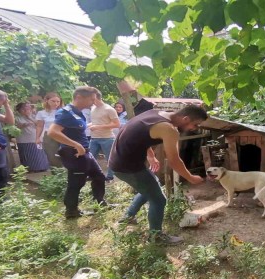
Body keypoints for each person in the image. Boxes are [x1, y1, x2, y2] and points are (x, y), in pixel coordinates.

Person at [109, 105, 208, 244]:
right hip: (127, 167)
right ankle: (155, 237)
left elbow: (139, 134)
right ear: (185, 118)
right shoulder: (169, 129)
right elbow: (174, 161)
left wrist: (150, 155)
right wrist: (191, 178)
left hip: (117, 160)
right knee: (159, 200)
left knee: (151, 185)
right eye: (195, 124)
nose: (195, 128)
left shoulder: (156, 113)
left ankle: (128, 216)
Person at [47, 86, 111, 218]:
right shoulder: (66, 113)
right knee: (76, 182)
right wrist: (75, 144)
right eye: (91, 99)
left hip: (85, 152)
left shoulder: (78, 112)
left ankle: (100, 202)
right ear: (79, 97)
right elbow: (52, 132)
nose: (93, 102)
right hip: (74, 153)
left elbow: (74, 129)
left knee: (99, 177)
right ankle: (71, 211)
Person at [88, 91, 120, 181]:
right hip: (94, 138)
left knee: (109, 158)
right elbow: (97, 121)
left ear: (96, 98)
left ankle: (110, 176)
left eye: (90, 98)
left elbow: (117, 124)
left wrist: (98, 127)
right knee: (90, 157)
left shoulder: (109, 109)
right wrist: (88, 125)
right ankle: (92, 175)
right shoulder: (93, 108)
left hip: (107, 138)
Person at [15, 102, 49, 173]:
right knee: (28, 155)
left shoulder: (34, 116)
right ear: (19, 110)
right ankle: (31, 169)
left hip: (37, 138)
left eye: (28, 107)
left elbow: (39, 124)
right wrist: (25, 124)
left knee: (39, 154)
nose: (26, 109)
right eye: (24, 108)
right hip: (24, 140)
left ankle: (43, 167)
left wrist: (29, 117)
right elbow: (17, 126)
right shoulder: (17, 118)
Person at [36, 92, 63, 167]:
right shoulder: (41, 113)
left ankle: (66, 174)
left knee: (65, 155)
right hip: (49, 135)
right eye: (53, 101)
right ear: (47, 101)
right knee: (52, 156)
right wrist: (37, 138)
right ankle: (56, 175)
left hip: (63, 134)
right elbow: (39, 126)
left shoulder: (64, 111)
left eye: (58, 101)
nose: (56, 103)